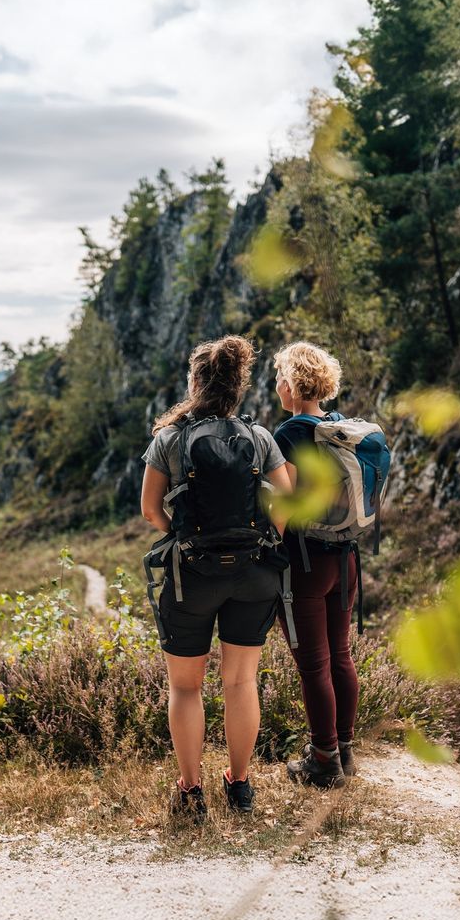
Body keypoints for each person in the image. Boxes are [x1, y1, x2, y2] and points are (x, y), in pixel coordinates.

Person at [141, 336, 293, 821]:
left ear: (195, 383)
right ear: (238, 386)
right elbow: (286, 506)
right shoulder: (260, 437)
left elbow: (149, 510)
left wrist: (183, 534)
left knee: (186, 688)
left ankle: (190, 791)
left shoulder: (169, 439)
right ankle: (241, 785)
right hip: (252, 576)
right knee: (241, 681)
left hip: (192, 577)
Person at [272, 341, 360, 788]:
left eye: (279, 378)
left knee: (314, 665)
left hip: (305, 564)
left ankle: (323, 761)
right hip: (345, 560)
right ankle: (343, 748)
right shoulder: (341, 426)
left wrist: (266, 540)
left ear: (291, 384)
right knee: (341, 655)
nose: (276, 386)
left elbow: (284, 503)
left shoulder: (289, 433)